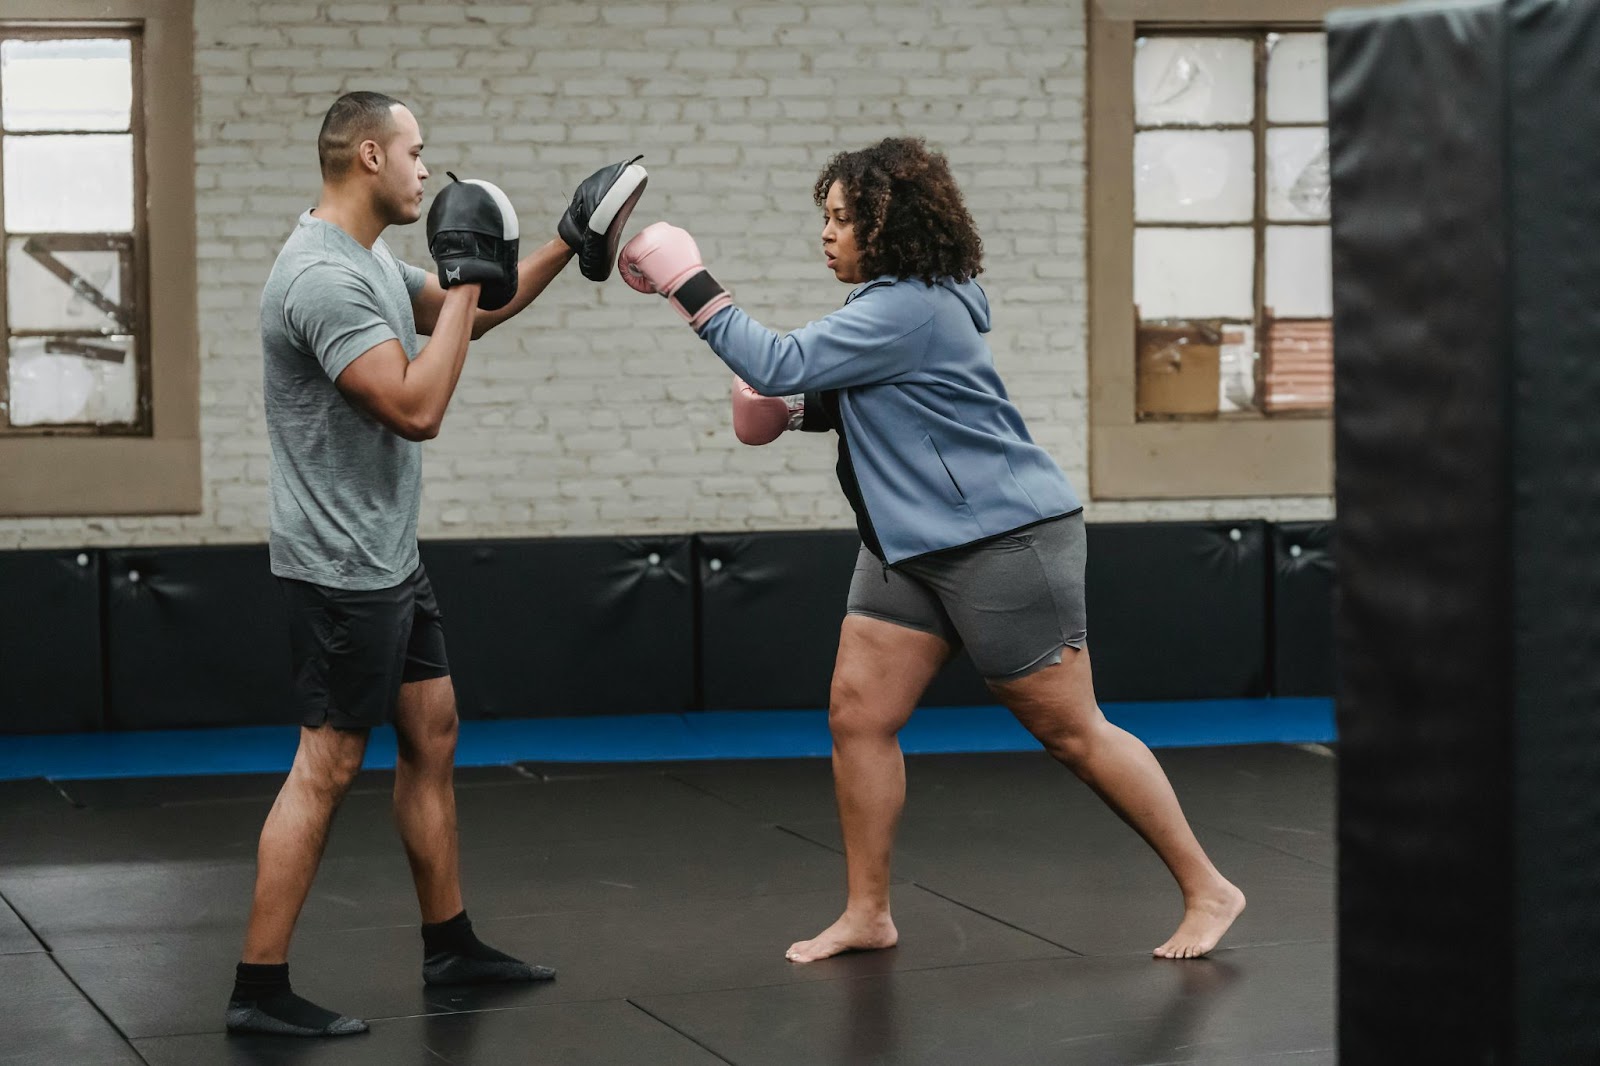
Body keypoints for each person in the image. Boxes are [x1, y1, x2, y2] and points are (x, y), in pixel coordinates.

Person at [618, 136, 1245, 965]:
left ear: (890, 225)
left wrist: (686, 281)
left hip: (1000, 540)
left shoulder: (907, 305)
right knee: (858, 715)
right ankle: (867, 913)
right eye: (826, 218)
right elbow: (885, 404)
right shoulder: (893, 308)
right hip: (905, 544)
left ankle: (1210, 887)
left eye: (843, 219)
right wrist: (802, 413)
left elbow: (775, 360)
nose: (827, 234)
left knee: (1072, 732)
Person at [230, 91, 646, 1037]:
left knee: (435, 730)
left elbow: (475, 312)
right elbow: (417, 405)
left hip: (386, 555)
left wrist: (561, 239)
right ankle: (258, 990)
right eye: (418, 152)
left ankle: (450, 946)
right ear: (370, 155)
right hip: (340, 566)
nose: (429, 168)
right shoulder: (320, 280)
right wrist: (462, 284)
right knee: (327, 765)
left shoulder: (368, 258)